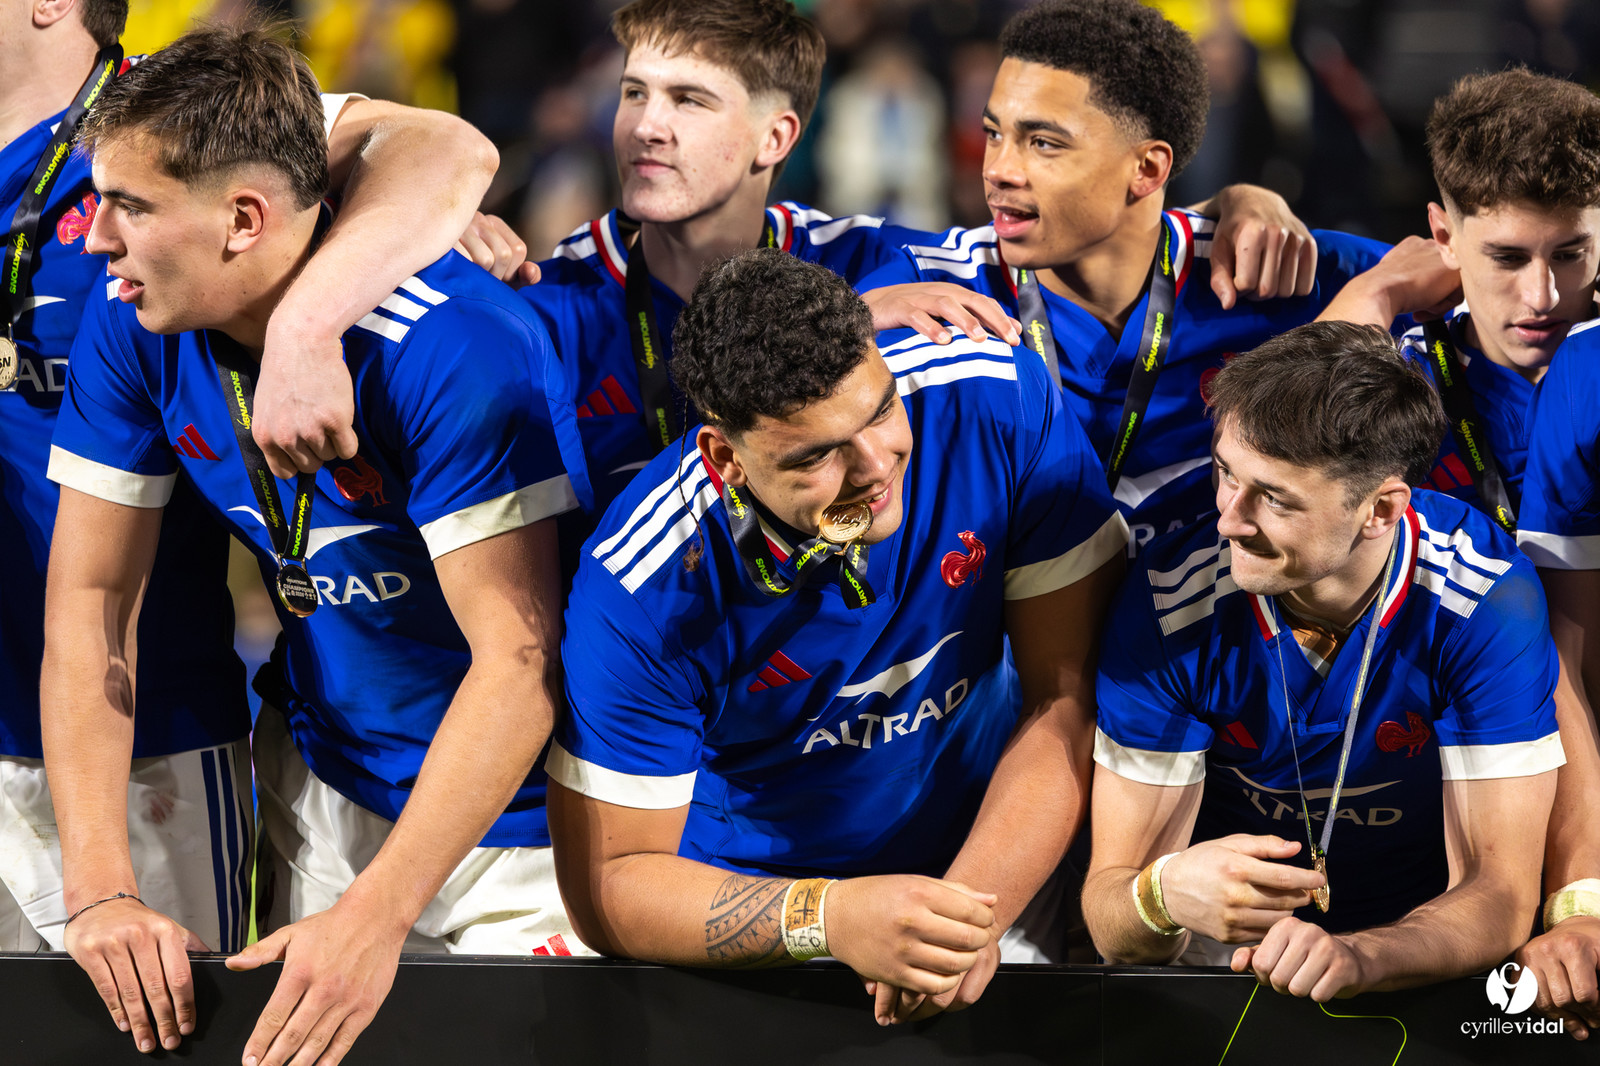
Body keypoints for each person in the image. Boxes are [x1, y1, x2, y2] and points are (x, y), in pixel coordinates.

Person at [42, 23, 588, 1064]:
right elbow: (90, 607)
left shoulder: (453, 346)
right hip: (318, 785)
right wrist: (102, 889)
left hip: (511, 830)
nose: (95, 240)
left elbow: (518, 668)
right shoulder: (134, 319)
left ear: (245, 218)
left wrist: (375, 920)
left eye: (129, 207)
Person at [0, 0, 502, 962]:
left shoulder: (171, 116)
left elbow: (444, 150)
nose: (109, 239)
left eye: (128, 212)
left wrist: (308, 327)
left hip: (145, 739)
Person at [548, 248, 1125, 1025]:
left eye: (881, 409)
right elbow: (610, 884)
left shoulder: (999, 403)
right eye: (817, 455)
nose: (874, 467)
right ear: (727, 458)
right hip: (753, 910)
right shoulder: (642, 586)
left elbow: (1066, 694)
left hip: (988, 864)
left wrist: (958, 920)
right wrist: (830, 917)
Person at [1084, 321, 1562, 1002]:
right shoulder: (1168, 603)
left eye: (1273, 498)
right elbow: (1109, 916)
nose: (1228, 520)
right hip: (1222, 966)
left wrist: (1359, 958)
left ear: (1380, 509)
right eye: (1226, 474)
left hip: (1420, 955)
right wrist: (1159, 899)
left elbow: (1502, 895)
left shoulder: (1483, 600)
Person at [860, 0, 1398, 553]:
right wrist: (852, 319)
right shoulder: (927, 287)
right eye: (995, 134)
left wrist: (1377, 295)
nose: (998, 168)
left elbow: (1465, 265)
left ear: (1147, 170)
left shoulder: (1274, 268)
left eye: (1042, 143)